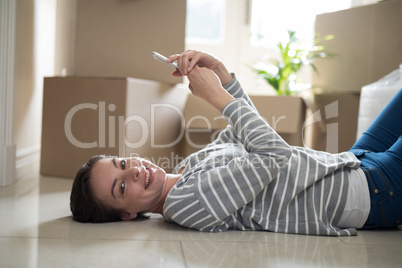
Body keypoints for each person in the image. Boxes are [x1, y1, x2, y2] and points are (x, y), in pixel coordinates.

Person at [70, 50, 402, 236]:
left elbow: (245, 135)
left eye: (123, 164)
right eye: (121, 188)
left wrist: (221, 74)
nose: (134, 172)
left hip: (352, 162)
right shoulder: (186, 203)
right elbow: (275, 153)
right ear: (127, 215)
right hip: (373, 193)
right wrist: (216, 97)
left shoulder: (185, 171)